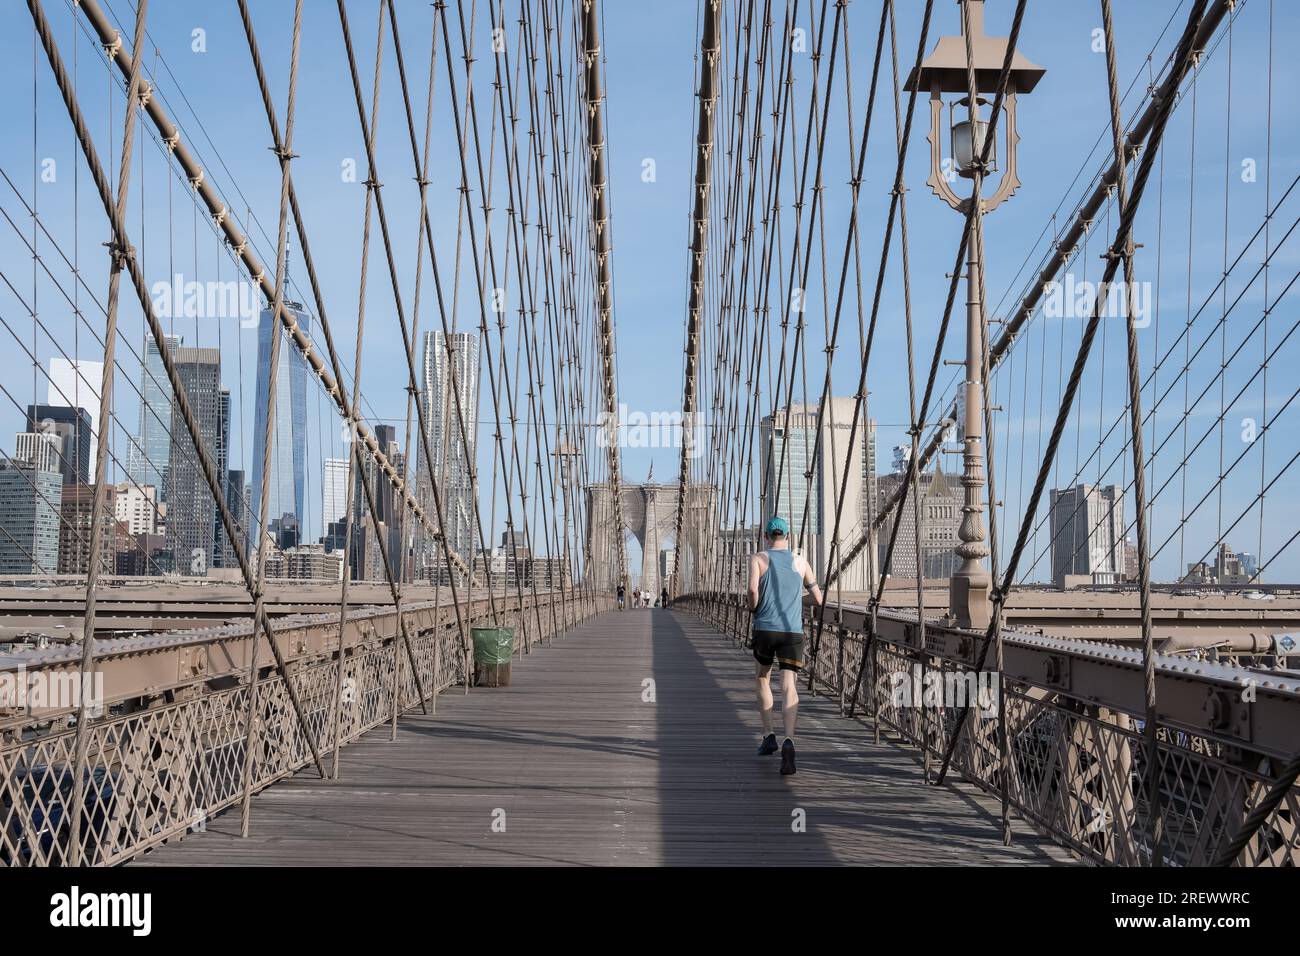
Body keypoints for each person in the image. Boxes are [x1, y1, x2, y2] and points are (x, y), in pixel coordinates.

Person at [747, 516, 822, 775]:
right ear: (788, 537)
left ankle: (768, 735)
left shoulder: (758, 559)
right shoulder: (800, 561)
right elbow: (818, 598)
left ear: (766, 536)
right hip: (792, 632)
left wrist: (753, 606)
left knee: (762, 677)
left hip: (765, 629)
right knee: (789, 686)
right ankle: (789, 740)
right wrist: (796, 604)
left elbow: (753, 591)